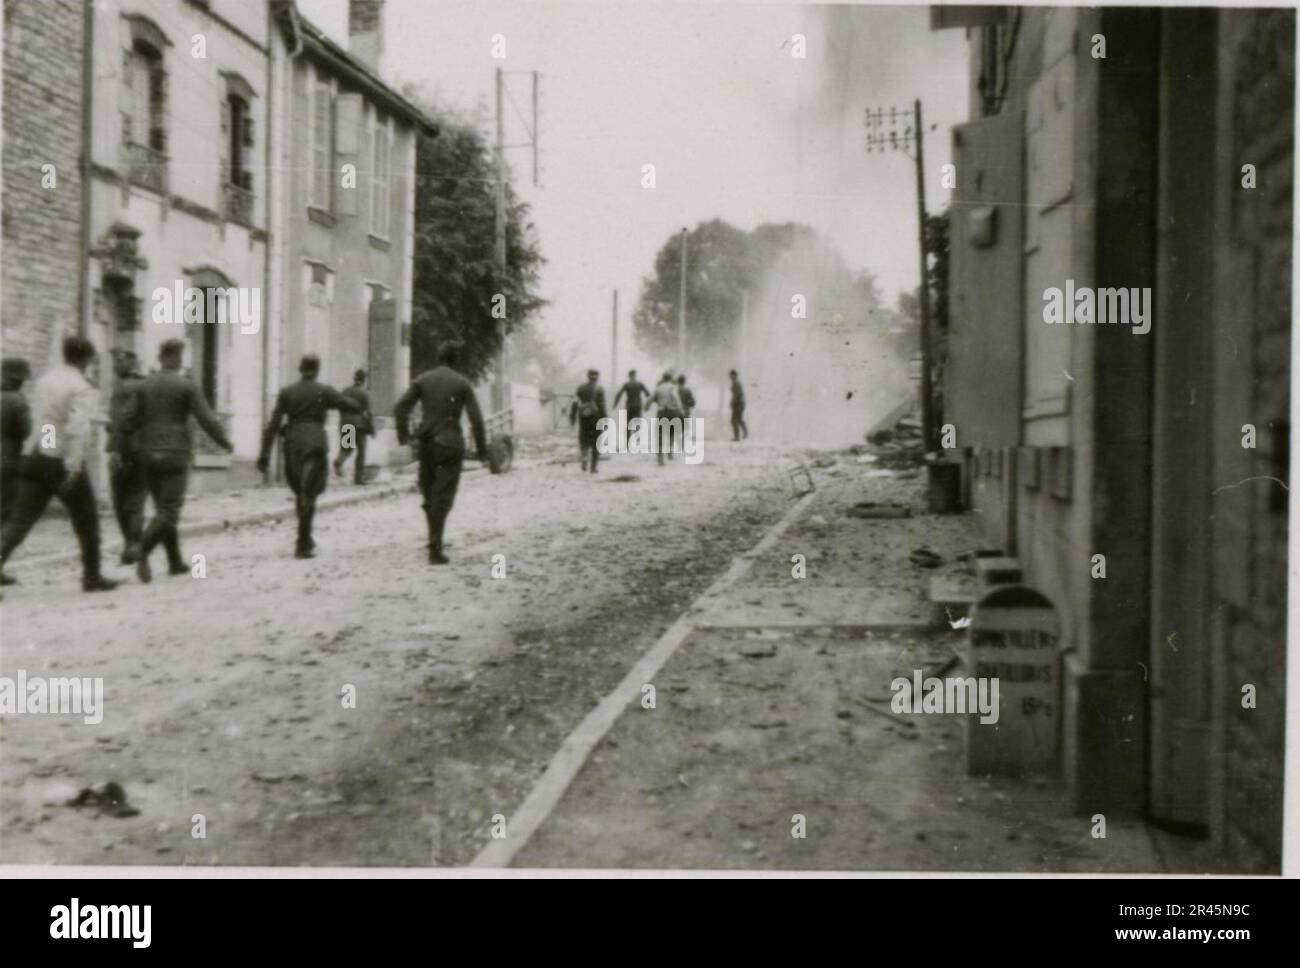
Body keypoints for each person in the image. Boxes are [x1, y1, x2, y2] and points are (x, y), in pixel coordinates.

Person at [0, 336, 117, 592]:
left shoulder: (45, 381)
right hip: (60, 460)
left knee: (20, 520)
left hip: (36, 454)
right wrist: (73, 466)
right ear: (86, 359)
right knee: (86, 519)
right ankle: (92, 576)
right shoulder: (82, 387)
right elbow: (77, 428)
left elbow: (47, 418)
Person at [119, 339, 233, 582]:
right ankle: (141, 548)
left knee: (162, 508)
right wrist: (224, 442)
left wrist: (122, 451)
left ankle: (174, 562)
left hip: (147, 454)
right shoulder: (186, 386)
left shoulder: (143, 385)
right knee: (169, 511)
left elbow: (125, 421)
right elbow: (207, 419)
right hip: (175, 453)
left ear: (161, 357)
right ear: (179, 359)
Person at [257, 355, 362, 559]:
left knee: (300, 492)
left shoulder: (287, 392)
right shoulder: (324, 390)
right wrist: (359, 405)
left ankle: (305, 538)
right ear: (317, 369)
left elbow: (273, 424)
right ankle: (302, 543)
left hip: (293, 444)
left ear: (300, 369)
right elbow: (348, 404)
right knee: (309, 494)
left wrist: (265, 454)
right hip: (315, 443)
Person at [394, 342, 487, 564]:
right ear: (456, 360)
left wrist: (404, 437)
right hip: (450, 444)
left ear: (439, 357)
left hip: (426, 443)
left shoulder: (423, 379)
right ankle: (435, 547)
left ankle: (433, 539)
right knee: (442, 495)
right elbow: (477, 419)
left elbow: (400, 407)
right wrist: (482, 451)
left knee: (428, 490)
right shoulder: (462, 383)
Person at [106, 349, 144, 563]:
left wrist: (116, 450)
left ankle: (132, 544)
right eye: (114, 361)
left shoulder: (128, 387)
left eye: (119, 361)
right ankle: (133, 543)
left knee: (122, 499)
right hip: (136, 450)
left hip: (124, 450)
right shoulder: (128, 384)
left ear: (132, 362)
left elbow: (123, 421)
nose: (115, 365)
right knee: (132, 500)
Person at [1, 358, 33, 537]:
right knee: (6, 508)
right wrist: (49, 444)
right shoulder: (18, 401)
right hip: (7, 461)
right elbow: (28, 431)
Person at [333, 368, 374, 485]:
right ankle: (358, 478)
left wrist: (344, 419)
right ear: (364, 379)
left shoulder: (345, 390)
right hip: (359, 425)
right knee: (361, 451)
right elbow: (369, 412)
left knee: (347, 447)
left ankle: (339, 462)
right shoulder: (364, 393)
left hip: (346, 423)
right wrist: (372, 429)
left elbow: (339, 406)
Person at [568, 369, 607, 473]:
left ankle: (584, 456)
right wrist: (605, 420)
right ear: (597, 377)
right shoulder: (599, 389)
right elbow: (602, 406)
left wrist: (572, 417)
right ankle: (593, 467)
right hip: (596, 417)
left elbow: (575, 403)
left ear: (588, 376)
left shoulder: (580, 388)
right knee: (596, 442)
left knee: (584, 438)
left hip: (583, 417)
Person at [651, 371, 683, 466]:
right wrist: (680, 409)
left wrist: (646, 406)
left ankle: (660, 457)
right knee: (672, 433)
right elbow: (676, 397)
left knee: (660, 433)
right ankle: (670, 451)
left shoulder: (658, 388)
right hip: (672, 412)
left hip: (661, 412)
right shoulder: (673, 387)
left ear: (663, 378)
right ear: (670, 379)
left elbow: (651, 398)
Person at [729, 369, 748, 442]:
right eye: (731, 376)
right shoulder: (735, 383)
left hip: (738, 404)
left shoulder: (736, 384)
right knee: (738, 420)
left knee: (734, 420)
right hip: (738, 404)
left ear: (735, 376)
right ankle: (744, 433)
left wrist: (732, 402)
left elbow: (737, 395)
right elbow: (735, 395)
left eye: (732, 375)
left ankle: (738, 436)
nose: (731, 377)